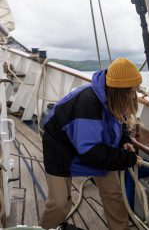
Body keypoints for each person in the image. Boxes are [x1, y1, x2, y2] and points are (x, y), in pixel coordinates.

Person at [39, 57, 143, 229]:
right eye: (132, 91)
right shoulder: (88, 103)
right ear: (119, 91)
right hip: (60, 145)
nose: (135, 95)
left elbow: (119, 120)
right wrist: (128, 158)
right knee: (59, 204)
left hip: (92, 145)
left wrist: (123, 140)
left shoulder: (116, 97)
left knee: (113, 194)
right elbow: (91, 152)